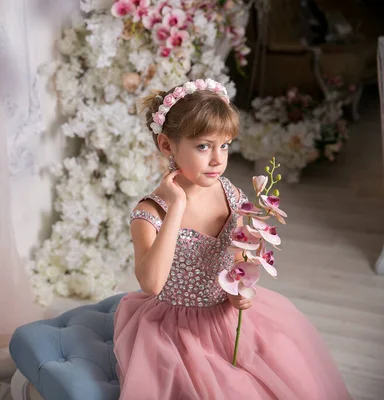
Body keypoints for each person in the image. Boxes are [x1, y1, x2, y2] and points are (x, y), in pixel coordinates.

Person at [113, 79, 351, 400]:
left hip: (225, 313)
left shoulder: (229, 192)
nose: (217, 160)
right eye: (203, 146)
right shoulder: (150, 212)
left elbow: (237, 257)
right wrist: (177, 207)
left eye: (224, 145)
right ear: (167, 145)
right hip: (175, 328)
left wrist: (241, 291)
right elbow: (152, 284)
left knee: (278, 366)